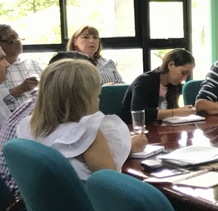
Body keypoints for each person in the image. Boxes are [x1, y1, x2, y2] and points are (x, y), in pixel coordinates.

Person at [14, 59, 146, 182]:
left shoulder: (28, 126)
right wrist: (129, 147)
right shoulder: (87, 135)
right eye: (97, 95)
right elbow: (112, 185)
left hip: (44, 199)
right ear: (83, 99)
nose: (99, 100)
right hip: (85, 199)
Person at [0, 52, 90, 197]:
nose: (8, 64)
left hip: (18, 195)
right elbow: (107, 178)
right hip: (24, 200)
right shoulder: (53, 117)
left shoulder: (34, 106)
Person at [120, 48, 197, 124]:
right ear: (170, 65)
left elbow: (170, 113)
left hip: (160, 128)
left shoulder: (174, 85)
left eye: (187, 75)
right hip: (133, 128)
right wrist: (176, 112)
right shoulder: (144, 81)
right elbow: (138, 113)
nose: (184, 78)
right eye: (183, 72)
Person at [0, 24, 42, 113]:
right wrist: (18, 90)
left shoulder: (31, 62)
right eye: (11, 39)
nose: (18, 42)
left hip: (38, 115)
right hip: (9, 119)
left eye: (18, 38)